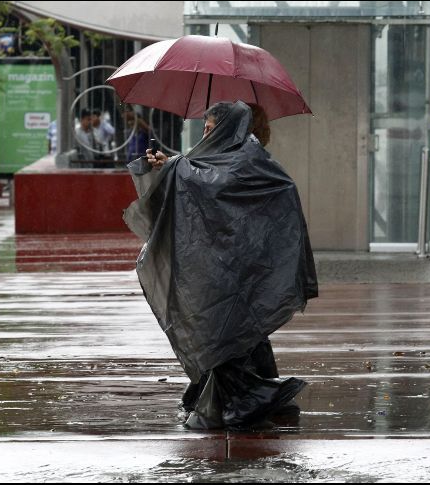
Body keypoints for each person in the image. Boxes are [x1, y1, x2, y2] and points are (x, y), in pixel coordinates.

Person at [126, 101, 317, 429]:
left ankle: (251, 396)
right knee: (235, 330)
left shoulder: (247, 157)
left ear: (229, 129)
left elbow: (214, 183)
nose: (206, 135)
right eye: (204, 129)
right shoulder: (225, 157)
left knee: (228, 330)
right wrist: (169, 165)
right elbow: (202, 178)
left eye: (212, 130)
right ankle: (259, 391)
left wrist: (173, 166)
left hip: (239, 267)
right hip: (220, 265)